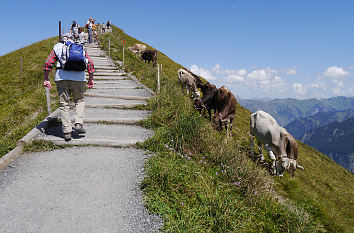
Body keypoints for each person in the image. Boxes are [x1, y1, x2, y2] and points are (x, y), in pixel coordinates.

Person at [43, 33, 95, 141]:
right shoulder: (80, 47)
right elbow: (89, 63)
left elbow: (48, 63)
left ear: (62, 39)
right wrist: (90, 79)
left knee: (64, 104)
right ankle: (78, 124)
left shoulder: (57, 46)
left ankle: (67, 131)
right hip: (79, 78)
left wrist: (46, 79)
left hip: (61, 78)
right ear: (73, 38)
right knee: (80, 100)